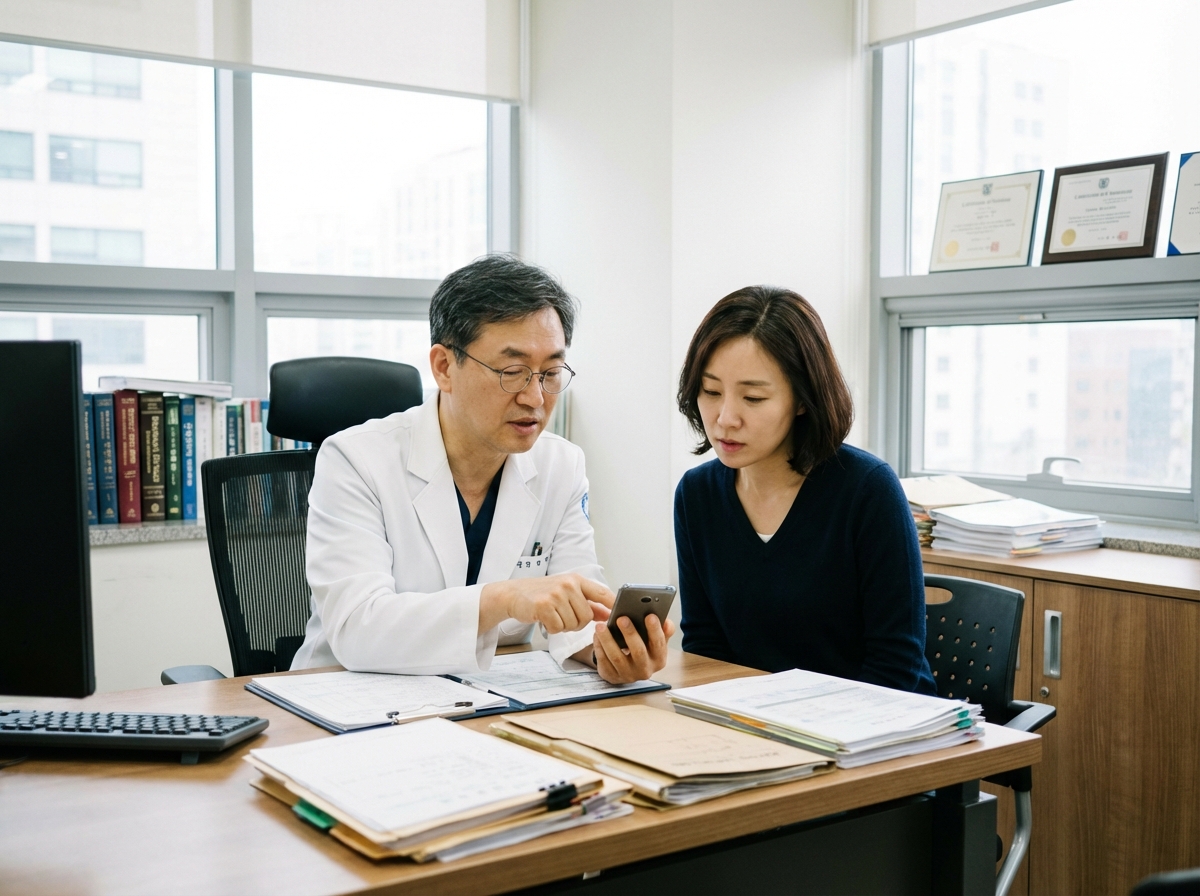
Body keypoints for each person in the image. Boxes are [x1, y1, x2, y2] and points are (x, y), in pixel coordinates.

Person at [291, 255, 673, 682]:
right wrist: (504, 599)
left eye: (550, 372)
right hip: (348, 697)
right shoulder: (354, 460)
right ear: (444, 367)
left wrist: (606, 652)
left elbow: (578, 607)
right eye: (512, 371)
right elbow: (357, 629)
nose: (535, 397)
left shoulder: (561, 465)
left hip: (490, 698)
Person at [673, 285, 935, 694]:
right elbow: (706, 650)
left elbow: (895, 667)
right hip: (754, 720)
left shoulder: (868, 490)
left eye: (753, 397)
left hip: (875, 721)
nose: (725, 418)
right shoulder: (697, 495)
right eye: (711, 392)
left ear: (801, 399)